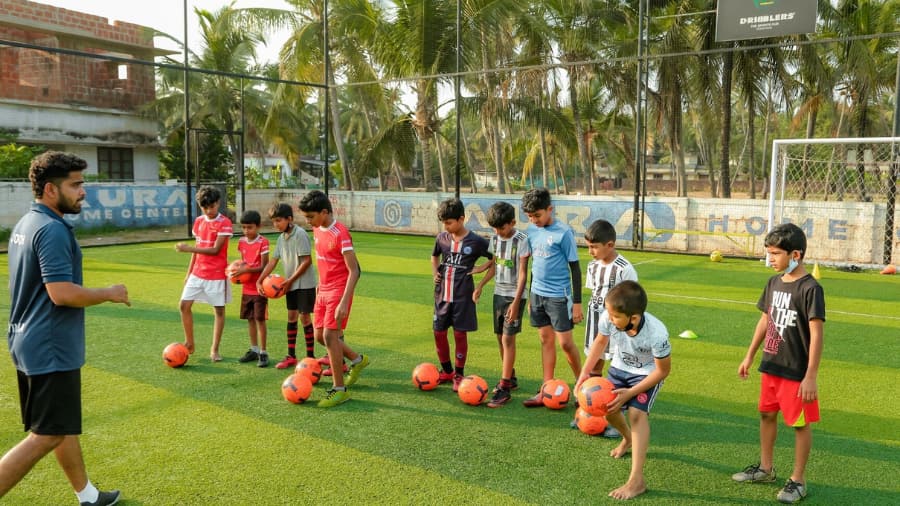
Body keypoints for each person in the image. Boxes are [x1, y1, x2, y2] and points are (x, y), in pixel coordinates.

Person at [1, 151, 130, 505]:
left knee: (60, 426)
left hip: (27, 339)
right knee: (47, 434)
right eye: (75, 185)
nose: (82, 191)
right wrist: (110, 293)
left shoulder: (26, 224)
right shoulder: (52, 230)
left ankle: (86, 495)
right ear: (50, 190)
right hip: (50, 345)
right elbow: (61, 294)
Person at [732, 223, 824, 504]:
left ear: (795, 254)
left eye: (775, 254)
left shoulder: (811, 288)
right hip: (771, 366)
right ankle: (765, 468)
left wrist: (811, 375)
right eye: (768, 253)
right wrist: (750, 354)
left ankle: (798, 480)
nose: (770, 259)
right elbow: (765, 319)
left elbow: (818, 333)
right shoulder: (773, 282)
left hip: (796, 373)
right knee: (766, 415)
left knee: (799, 424)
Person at [575, 280, 671, 501]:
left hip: (647, 375)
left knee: (637, 415)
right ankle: (628, 439)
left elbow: (662, 371)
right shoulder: (610, 317)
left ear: (634, 318)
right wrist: (584, 374)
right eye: (609, 314)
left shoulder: (657, 333)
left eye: (615, 317)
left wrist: (629, 394)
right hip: (619, 368)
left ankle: (637, 480)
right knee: (607, 408)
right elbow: (600, 342)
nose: (610, 319)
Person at [298, 190, 370, 407]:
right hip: (323, 290)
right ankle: (357, 360)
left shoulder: (341, 233)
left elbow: (355, 270)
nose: (308, 221)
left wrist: (344, 302)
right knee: (320, 336)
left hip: (339, 290)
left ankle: (339, 390)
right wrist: (320, 287)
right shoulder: (317, 228)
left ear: (324, 212)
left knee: (330, 336)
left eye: (310, 217)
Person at [520, 188, 583, 407]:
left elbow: (575, 268)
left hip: (559, 297)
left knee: (565, 344)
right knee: (545, 340)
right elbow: (534, 267)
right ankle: (546, 389)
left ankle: (582, 385)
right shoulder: (531, 231)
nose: (534, 220)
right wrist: (530, 296)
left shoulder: (564, 233)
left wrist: (576, 303)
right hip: (538, 295)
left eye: (537, 215)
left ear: (550, 209)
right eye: (529, 217)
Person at [577, 219, 638, 436]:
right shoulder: (593, 266)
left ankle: (615, 418)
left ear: (610, 245)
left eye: (594, 247)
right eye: (588, 246)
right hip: (596, 323)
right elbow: (594, 294)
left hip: (618, 328)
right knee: (595, 367)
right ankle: (591, 410)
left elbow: (632, 301)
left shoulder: (624, 269)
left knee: (617, 371)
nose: (590, 251)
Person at [430, 198, 495, 392]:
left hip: (463, 297)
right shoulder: (441, 238)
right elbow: (434, 256)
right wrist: (435, 273)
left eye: (449, 222)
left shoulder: (476, 241)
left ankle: (459, 374)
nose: (446, 226)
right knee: (438, 332)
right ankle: (447, 370)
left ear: (461, 219)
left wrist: (483, 267)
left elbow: (496, 257)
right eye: (444, 223)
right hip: (442, 295)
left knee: (459, 334)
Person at [257, 203, 318, 371]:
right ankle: (291, 356)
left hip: (304, 284)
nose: (276, 224)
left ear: (289, 219)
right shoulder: (281, 238)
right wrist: (260, 280)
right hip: (290, 284)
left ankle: (310, 358)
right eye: (274, 221)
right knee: (291, 318)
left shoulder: (300, 234)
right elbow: (273, 261)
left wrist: (290, 280)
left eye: (278, 221)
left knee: (304, 318)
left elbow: (307, 261)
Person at [175, 186, 232, 362]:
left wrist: (188, 248)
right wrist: (188, 272)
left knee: (219, 311)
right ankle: (190, 343)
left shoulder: (225, 223)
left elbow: (215, 250)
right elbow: (197, 249)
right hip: (197, 273)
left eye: (211, 206)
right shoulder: (199, 221)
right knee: (184, 306)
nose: (208, 210)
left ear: (218, 203)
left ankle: (214, 350)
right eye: (204, 207)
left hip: (216, 274)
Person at [480, 201, 529, 408]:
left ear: (512, 222)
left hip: (514, 295)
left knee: (509, 338)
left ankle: (505, 387)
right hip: (498, 293)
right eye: (494, 228)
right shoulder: (495, 239)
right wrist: (480, 285)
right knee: (500, 337)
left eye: (502, 227)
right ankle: (511, 376)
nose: (498, 231)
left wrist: (516, 303)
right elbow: (495, 264)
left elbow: (524, 273)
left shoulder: (522, 240)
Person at [233, 210, 271, 367]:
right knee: (250, 319)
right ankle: (254, 350)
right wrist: (237, 276)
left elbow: (264, 266)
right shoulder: (241, 242)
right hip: (246, 289)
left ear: (258, 226)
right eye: (243, 227)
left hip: (259, 288)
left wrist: (246, 271)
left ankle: (263, 352)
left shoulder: (263, 242)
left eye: (250, 227)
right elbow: (242, 264)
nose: (246, 231)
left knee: (260, 319)